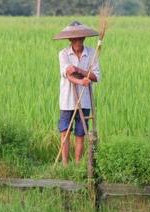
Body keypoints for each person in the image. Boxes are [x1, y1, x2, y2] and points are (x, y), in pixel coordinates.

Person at [53, 21, 101, 166]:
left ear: (84, 39)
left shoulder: (92, 53)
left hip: (85, 99)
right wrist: (81, 81)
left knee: (80, 133)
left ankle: (78, 164)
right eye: (75, 39)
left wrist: (80, 71)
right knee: (65, 131)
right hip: (67, 99)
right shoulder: (63, 54)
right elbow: (68, 73)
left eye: (80, 38)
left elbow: (96, 76)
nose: (78, 41)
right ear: (70, 40)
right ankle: (65, 164)